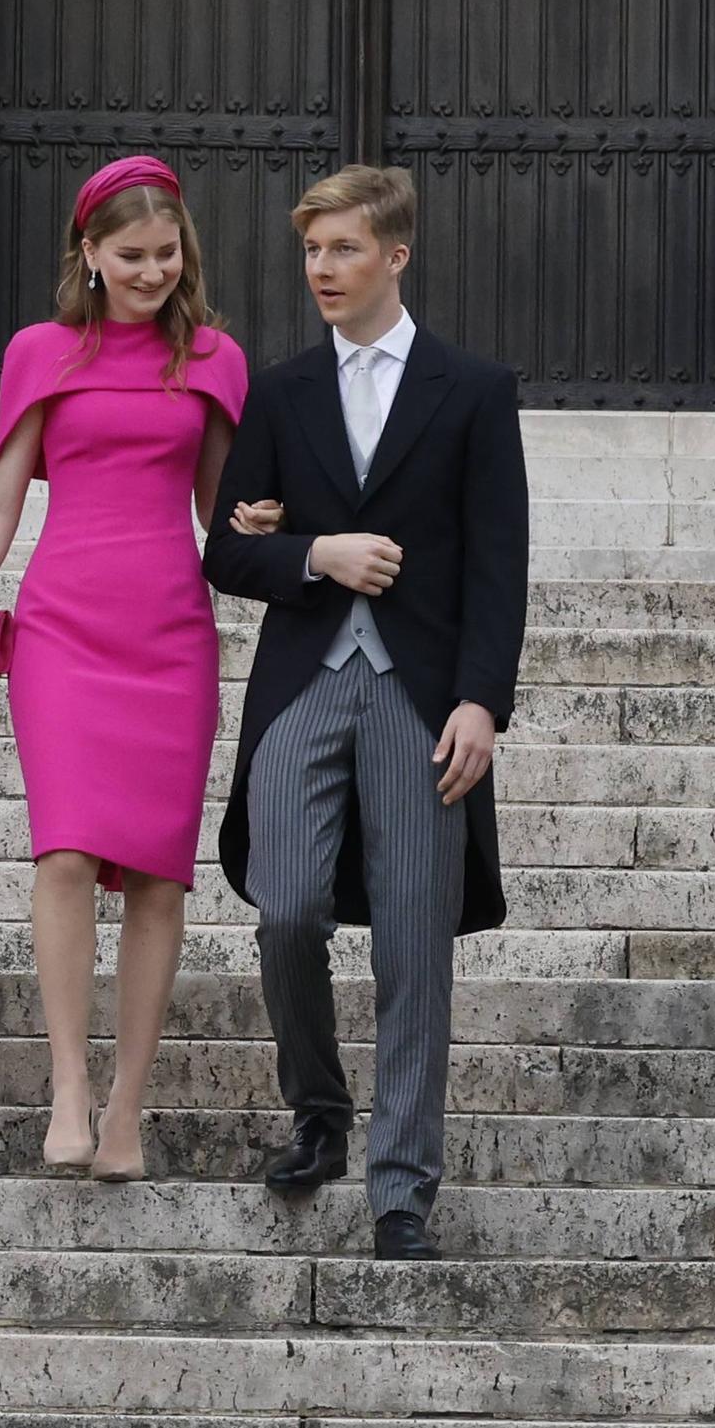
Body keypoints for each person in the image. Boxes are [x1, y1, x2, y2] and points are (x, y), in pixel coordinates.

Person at [203, 166, 529, 1255]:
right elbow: (228, 550)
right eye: (311, 252)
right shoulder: (280, 390)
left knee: (414, 943)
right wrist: (313, 552)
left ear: (395, 255)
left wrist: (484, 701)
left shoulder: (473, 387)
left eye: (342, 250)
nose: (321, 271)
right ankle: (320, 1110)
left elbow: (499, 562)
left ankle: (403, 1188)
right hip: (305, 681)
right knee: (286, 904)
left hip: (424, 697)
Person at [0, 154, 243, 1181]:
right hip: (65, 627)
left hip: (169, 634)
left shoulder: (215, 360)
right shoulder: (41, 351)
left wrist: (277, 524)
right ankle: (67, 1084)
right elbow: (3, 495)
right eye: (131, 255)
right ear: (90, 254)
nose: (152, 271)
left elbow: (219, 513)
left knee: (159, 878)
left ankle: (126, 1109)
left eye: (166, 254)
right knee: (63, 851)